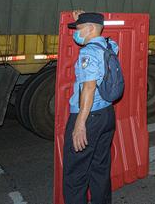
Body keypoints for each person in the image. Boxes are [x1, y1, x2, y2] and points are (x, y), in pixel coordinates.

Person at [63, 11, 117, 204]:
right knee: (100, 168)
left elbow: (89, 87)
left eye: (78, 29)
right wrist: (82, 18)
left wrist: (80, 124)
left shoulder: (88, 52)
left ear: (91, 28)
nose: (76, 34)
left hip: (90, 117)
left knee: (75, 174)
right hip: (107, 114)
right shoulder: (110, 46)